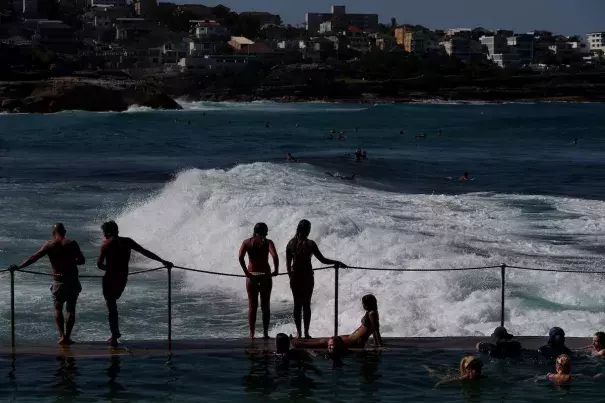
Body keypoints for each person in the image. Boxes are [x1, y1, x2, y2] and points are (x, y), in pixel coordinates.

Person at [97, 220, 173, 347]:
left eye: (104, 232)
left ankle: (114, 336)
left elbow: (99, 264)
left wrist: (109, 269)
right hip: (122, 278)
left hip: (110, 278)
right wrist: (162, 261)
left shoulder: (105, 245)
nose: (103, 234)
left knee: (111, 307)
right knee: (113, 304)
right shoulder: (127, 241)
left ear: (108, 232)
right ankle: (115, 333)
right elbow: (145, 252)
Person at [10, 223, 85, 345]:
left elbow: (34, 257)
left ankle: (61, 336)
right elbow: (82, 261)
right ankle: (68, 337)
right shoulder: (71, 243)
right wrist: (70, 261)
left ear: (53, 233)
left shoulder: (49, 245)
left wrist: (19, 266)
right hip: (72, 280)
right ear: (64, 232)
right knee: (71, 309)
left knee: (57, 307)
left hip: (58, 281)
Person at [286, 219, 346, 339]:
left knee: (297, 306)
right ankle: (306, 333)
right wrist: (337, 262)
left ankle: (299, 333)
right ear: (307, 230)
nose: (310, 231)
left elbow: (288, 265)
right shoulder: (310, 244)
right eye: (309, 228)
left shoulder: (290, 244)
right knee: (306, 305)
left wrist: (291, 278)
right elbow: (323, 260)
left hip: (295, 278)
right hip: (307, 277)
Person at [293, 294, 382, 348]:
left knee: (326, 342)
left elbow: (375, 329)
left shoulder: (372, 314)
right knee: (330, 339)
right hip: (354, 337)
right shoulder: (371, 312)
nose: (362, 305)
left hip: (356, 340)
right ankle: (301, 341)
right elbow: (373, 329)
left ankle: (299, 343)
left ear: (367, 304)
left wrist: (378, 344)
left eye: (363, 303)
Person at [239, 223, 279, 340]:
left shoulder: (247, 242)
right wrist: (276, 270)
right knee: (265, 306)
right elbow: (275, 256)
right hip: (265, 276)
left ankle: (251, 334)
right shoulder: (267, 242)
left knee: (252, 307)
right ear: (264, 231)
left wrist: (246, 272)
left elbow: (240, 257)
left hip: (252, 276)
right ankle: (265, 333)